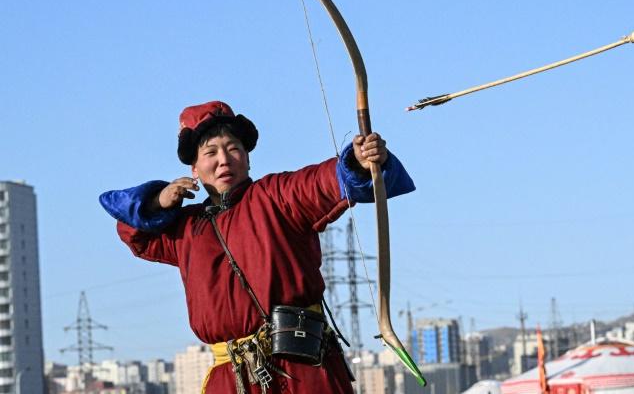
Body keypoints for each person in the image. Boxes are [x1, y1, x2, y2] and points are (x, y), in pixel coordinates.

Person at [99, 101, 415, 394]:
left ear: (247, 158)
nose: (224, 160)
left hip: (303, 369)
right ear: (194, 168)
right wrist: (158, 200)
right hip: (231, 378)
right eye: (210, 152)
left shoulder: (276, 196)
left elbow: (322, 182)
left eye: (233, 148)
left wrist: (358, 162)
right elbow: (131, 230)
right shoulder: (185, 228)